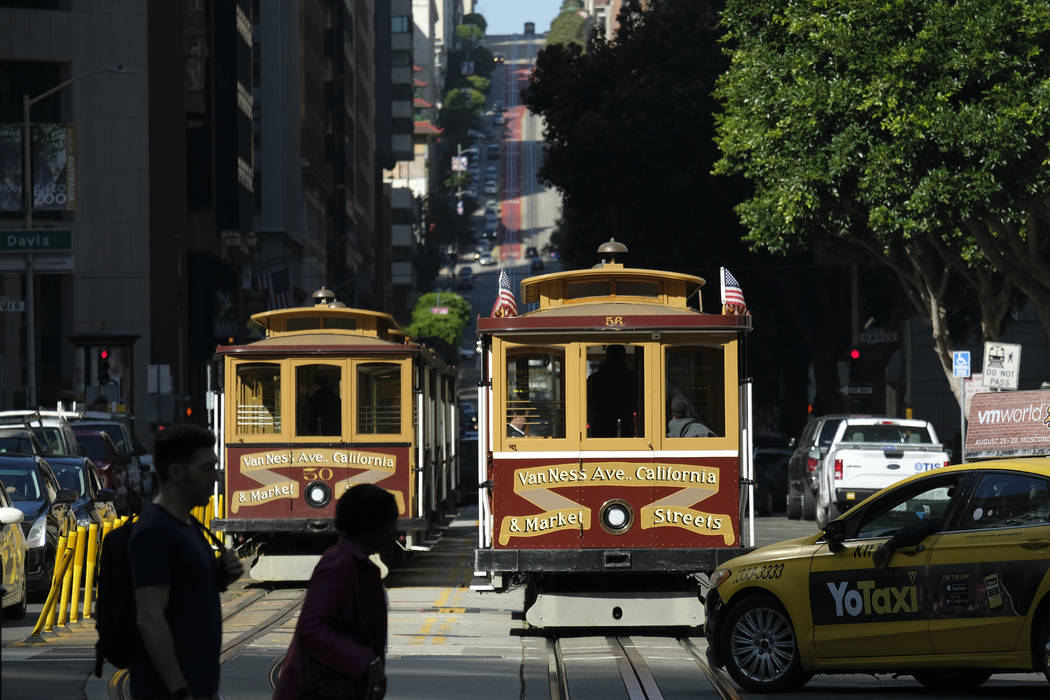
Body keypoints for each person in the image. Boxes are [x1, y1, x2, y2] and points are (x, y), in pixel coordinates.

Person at [130, 424, 243, 700]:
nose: (216, 476)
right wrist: (179, 690)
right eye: (206, 468)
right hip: (168, 692)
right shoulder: (154, 531)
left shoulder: (189, 524)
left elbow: (185, 592)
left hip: (199, 686)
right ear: (177, 472)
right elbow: (149, 617)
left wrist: (221, 577)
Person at [273, 483, 398, 700]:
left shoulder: (358, 565)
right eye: (390, 523)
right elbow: (311, 628)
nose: (394, 531)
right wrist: (367, 662)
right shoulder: (340, 563)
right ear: (370, 525)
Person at [586, 345, 637, 437]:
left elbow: (589, 402)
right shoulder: (632, 378)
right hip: (623, 423)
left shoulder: (594, 379)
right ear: (623, 357)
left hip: (601, 425)